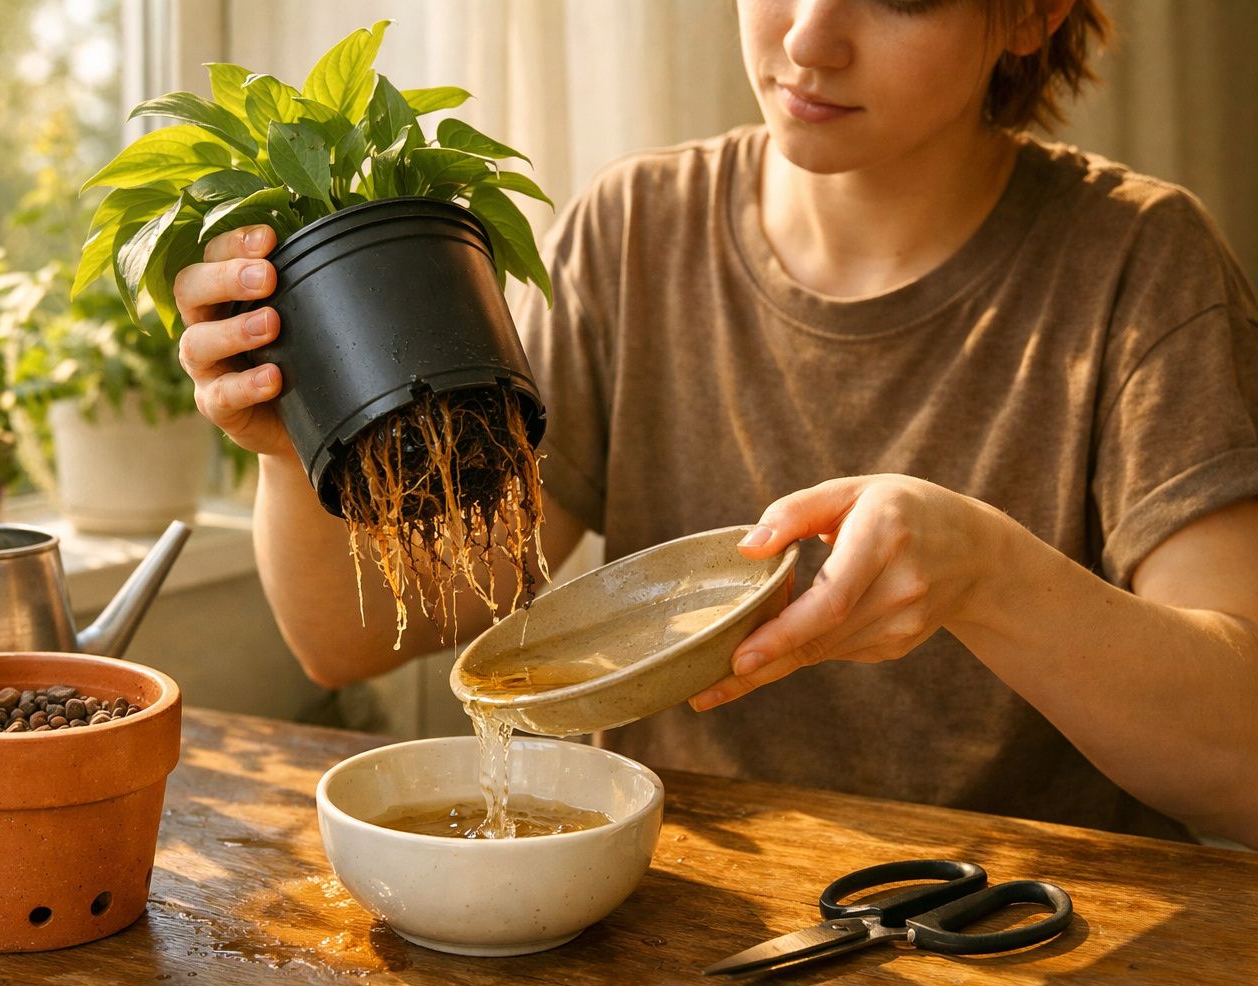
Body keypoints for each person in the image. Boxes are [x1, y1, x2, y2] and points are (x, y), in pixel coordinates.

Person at [172, 0, 1258, 847]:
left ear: (1032, 15)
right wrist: (297, 440)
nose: (810, 38)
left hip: (1020, 933)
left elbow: (1242, 766)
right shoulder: (636, 231)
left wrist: (988, 574)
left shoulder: (1139, 262)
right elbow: (355, 638)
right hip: (673, 925)